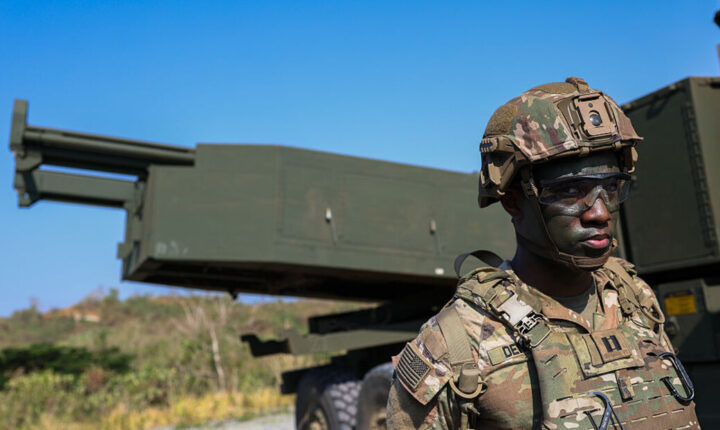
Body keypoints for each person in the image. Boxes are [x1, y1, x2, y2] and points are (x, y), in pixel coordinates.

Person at [386, 77, 701, 429]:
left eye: (610, 188)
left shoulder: (633, 297)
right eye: (569, 191)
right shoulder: (457, 344)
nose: (599, 213)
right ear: (513, 202)